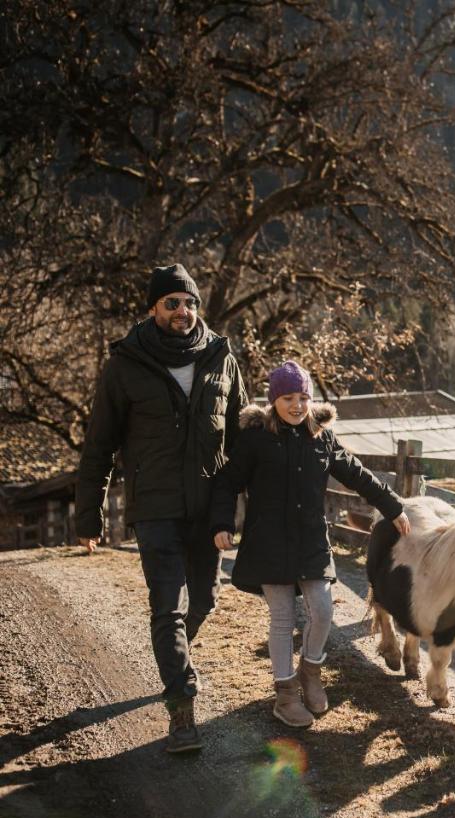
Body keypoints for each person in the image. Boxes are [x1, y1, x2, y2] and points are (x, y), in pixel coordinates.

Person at [76, 264, 249, 753]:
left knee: (205, 600)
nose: (182, 311)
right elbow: (99, 445)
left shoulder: (221, 357)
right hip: (154, 508)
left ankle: (174, 661)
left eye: (189, 302)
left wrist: (251, 507)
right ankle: (182, 710)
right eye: (172, 302)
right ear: (153, 308)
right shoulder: (125, 365)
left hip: (208, 506)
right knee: (168, 607)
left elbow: (244, 440)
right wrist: (88, 516)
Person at [209, 361, 410, 728]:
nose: (297, 405)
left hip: (310, 543)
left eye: (303, 397)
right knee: (283, 619)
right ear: (274, 400)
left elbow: (356, 474)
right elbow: (226, 483)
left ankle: (310, 672)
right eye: (288, 398)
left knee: (323, 610)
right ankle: (285, 694)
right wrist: (222, 523)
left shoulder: (321, 436)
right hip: (268, 543)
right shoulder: (255, 438)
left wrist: (392, 505)